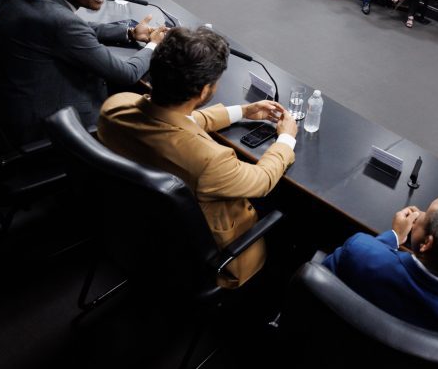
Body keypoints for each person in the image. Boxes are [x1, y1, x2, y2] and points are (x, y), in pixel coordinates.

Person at [98, 26, 297, 288]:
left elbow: (176, 121)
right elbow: (261, 180)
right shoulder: (210, 161)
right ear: (204, 91)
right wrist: (286, 138)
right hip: (200, 257)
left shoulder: (115, 106)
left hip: (132, 227)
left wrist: (241, 111)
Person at [0, 0, 167, 145]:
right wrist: (153, 45)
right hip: (46, 127)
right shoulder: (61, 23)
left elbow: (76, 27)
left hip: (12, 105)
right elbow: (127, 74)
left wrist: (130, 33)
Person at [322, 192, 438, 346]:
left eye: (425, 213)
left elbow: (324, 276)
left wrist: (394, 236)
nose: (419, 214)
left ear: (426, 243)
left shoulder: (358, 252)